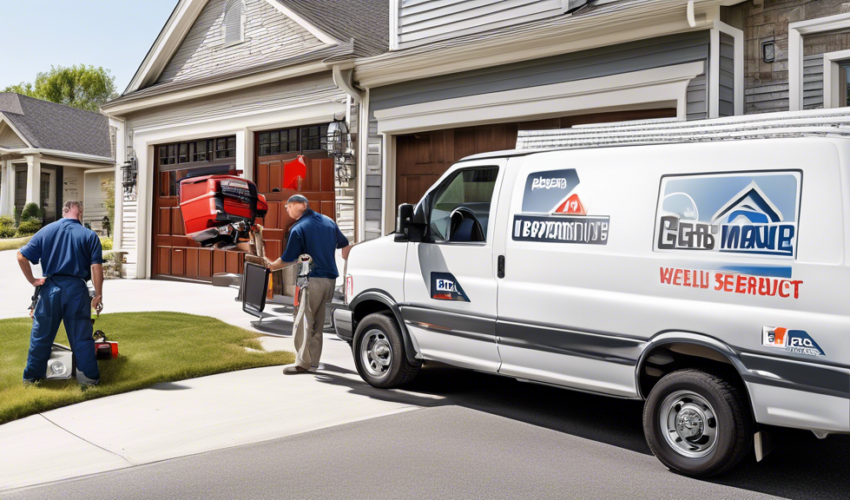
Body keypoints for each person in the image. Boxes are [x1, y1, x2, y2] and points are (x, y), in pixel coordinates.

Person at [17, 200, 104, 386]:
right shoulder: (89, 235)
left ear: (64, 212)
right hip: (77, 290)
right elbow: (96, 267)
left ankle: (31, 378)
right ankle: (88, 378)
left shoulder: (47, 231)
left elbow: (21, 255)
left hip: (50, 288)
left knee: (41, 335)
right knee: (81, 334)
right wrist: (98, 294)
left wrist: (32, 280)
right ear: (80, 213)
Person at [264, 194, 351, 374]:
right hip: (330, 280)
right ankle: (313, 362)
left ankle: (303, 363)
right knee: (317, 324)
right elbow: (345, 244)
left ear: (302, 205)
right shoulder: (329, 222)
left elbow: (288, 259)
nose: (287, 208)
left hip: (311, 281)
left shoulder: (299, 228)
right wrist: (345, 260)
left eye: (290, 205)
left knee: (304, 321)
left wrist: (271, 267)